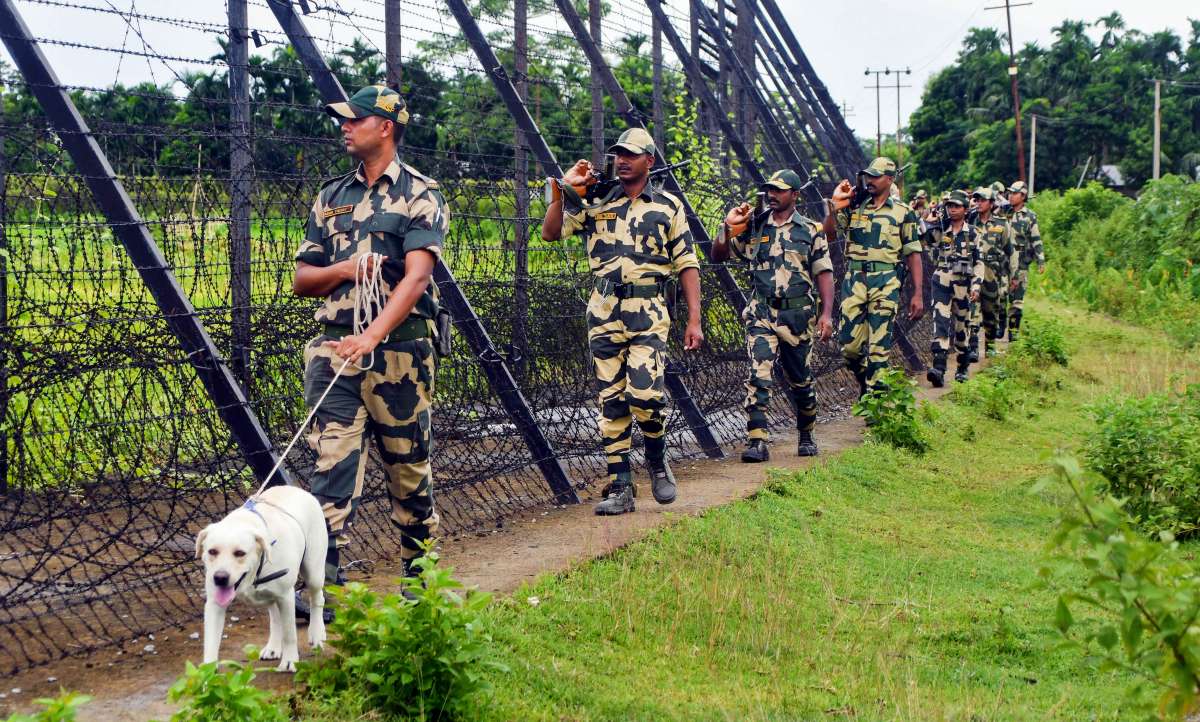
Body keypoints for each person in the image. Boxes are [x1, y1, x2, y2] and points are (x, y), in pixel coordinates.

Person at [292, 85, 447, 617]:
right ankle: (320, 588)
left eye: (354, 120)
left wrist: (373, 334)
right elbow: (302, 278)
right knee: (330, 464)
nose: (344, 127)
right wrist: (342, 270)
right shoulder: (331, 195)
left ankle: (420, 576)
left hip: (399, 356)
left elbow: (418, 277)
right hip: (334, 351)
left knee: (408, 470)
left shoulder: (421, 195)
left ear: (385, 127)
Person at [541, 127, 703, 516]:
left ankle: (657, 458)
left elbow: (687, 263)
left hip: (648, 310)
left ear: (649, 160)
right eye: (617, 154)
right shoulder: (596, 198)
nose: (622, 160)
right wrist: (564, 188)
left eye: (631, 154)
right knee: (611, 402)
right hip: (604, 309)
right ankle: (620, 486)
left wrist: (694, 319)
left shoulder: (667, 206)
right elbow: (550, 233)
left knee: (645, 395)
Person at [711, 170, 835, 462]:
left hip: (797, 315)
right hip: (762, 312)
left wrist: (826, 314)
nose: (772, 195)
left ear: (795, 194)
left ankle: (806, 432)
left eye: (780, 190)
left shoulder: (811, 230)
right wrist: (726, 228)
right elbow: (719, 255)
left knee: (800, 380)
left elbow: (824, 273)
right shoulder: (754, 226)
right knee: (758, 375)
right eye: (770, 190)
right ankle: (757, 440)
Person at [823, 157, 924, 397]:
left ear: (890, 179)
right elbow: (829, 233)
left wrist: (917, 293)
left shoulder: (903, 212)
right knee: (849, 347)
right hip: (855, 279)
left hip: (886, 280)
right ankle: (866, 381)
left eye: (876, 176)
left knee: (879, 349)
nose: (870, 180)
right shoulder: (855, 205)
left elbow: (913, 253)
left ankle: (876, 408)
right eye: (868, 176)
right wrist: (834, 206)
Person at [922, 190, 982, 385]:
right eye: (949, 206)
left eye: (956, 206)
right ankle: (938, 368)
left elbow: (978, 262)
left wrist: (976, 285)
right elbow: (923, 240)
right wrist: (930, 222)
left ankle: (962, 367)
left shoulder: (973, 233)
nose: (952, 209)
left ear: (965, 209)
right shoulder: (942, 228)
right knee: (940, 322)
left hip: (963, 285)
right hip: (941, 281)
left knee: (961, 330)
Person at [969, 187, 1018, 358]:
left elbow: (1011, 251)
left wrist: (1014, 275)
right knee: (972, 312)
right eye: (977, 200)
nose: (979, 203)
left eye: (983, 200)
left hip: (992, 275)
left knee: (990, 314)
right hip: (973, 274)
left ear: (991, 203)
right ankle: (973, 347)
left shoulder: (1001, 224)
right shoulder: (969, 222)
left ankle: (989, 347)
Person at [1003, 180, 1045, 341]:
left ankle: (1013, 336)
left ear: (1023, 196)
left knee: (1016, 302)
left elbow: (1036, 239)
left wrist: (1041, 260)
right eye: (1010, 193)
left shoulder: (1029, 216)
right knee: (998, 299)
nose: (1011, 196)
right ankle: (997, 329)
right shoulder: (1002, 211)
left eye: (1014, 193)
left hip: (1020, 263)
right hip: (1001, 262)